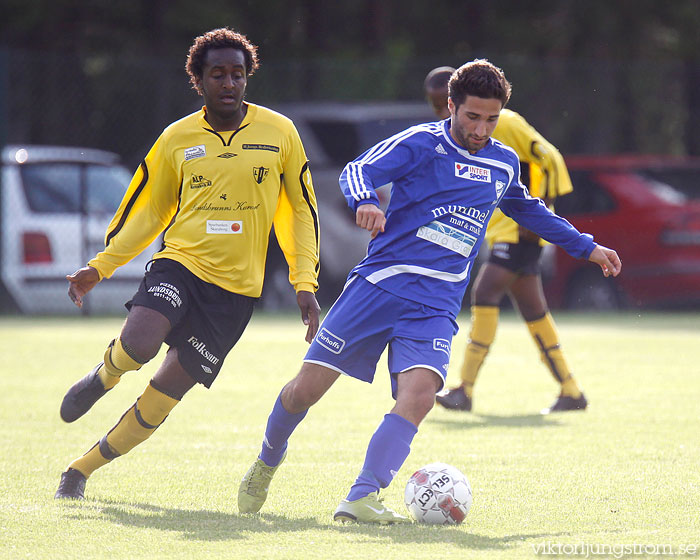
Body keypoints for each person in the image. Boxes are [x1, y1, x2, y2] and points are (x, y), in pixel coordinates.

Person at [237, 59, 621, 523]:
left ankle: (360, 497)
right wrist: (365, 203)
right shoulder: (422, 143)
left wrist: (586, 246)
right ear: (451, 107)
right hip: (380, 286)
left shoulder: (502, 162)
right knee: (304, 392)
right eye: (472, 117)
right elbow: (357, 171)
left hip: (436, 303)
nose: (481, 129)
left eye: (491, 119)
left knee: (420, 397)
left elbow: (530, 210)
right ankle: (267, 459)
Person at [54, 28, 321, 500]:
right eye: (217, 73)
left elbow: (299, 209)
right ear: (197, 80)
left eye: (238, 74)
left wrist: (304, 281)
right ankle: (105, 376)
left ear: (247, 78)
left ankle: (80, 469)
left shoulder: (279, 132)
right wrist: (101, 266)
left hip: (236, 293)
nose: (229, 83)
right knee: (138, 344)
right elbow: (147, 210)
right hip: (180, 264)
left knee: (162, 396)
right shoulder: (177, 139)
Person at [425, 66, 586, 415]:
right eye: (436, 105)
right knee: (533, 310)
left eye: (443, 103)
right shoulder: (453, 136)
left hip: (519, 231)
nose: (440, 111)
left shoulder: (506, 122)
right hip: (502, 230)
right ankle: (571, 391)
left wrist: (545, 206)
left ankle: (464, 389)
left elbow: (550, 158)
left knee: (484, 292)